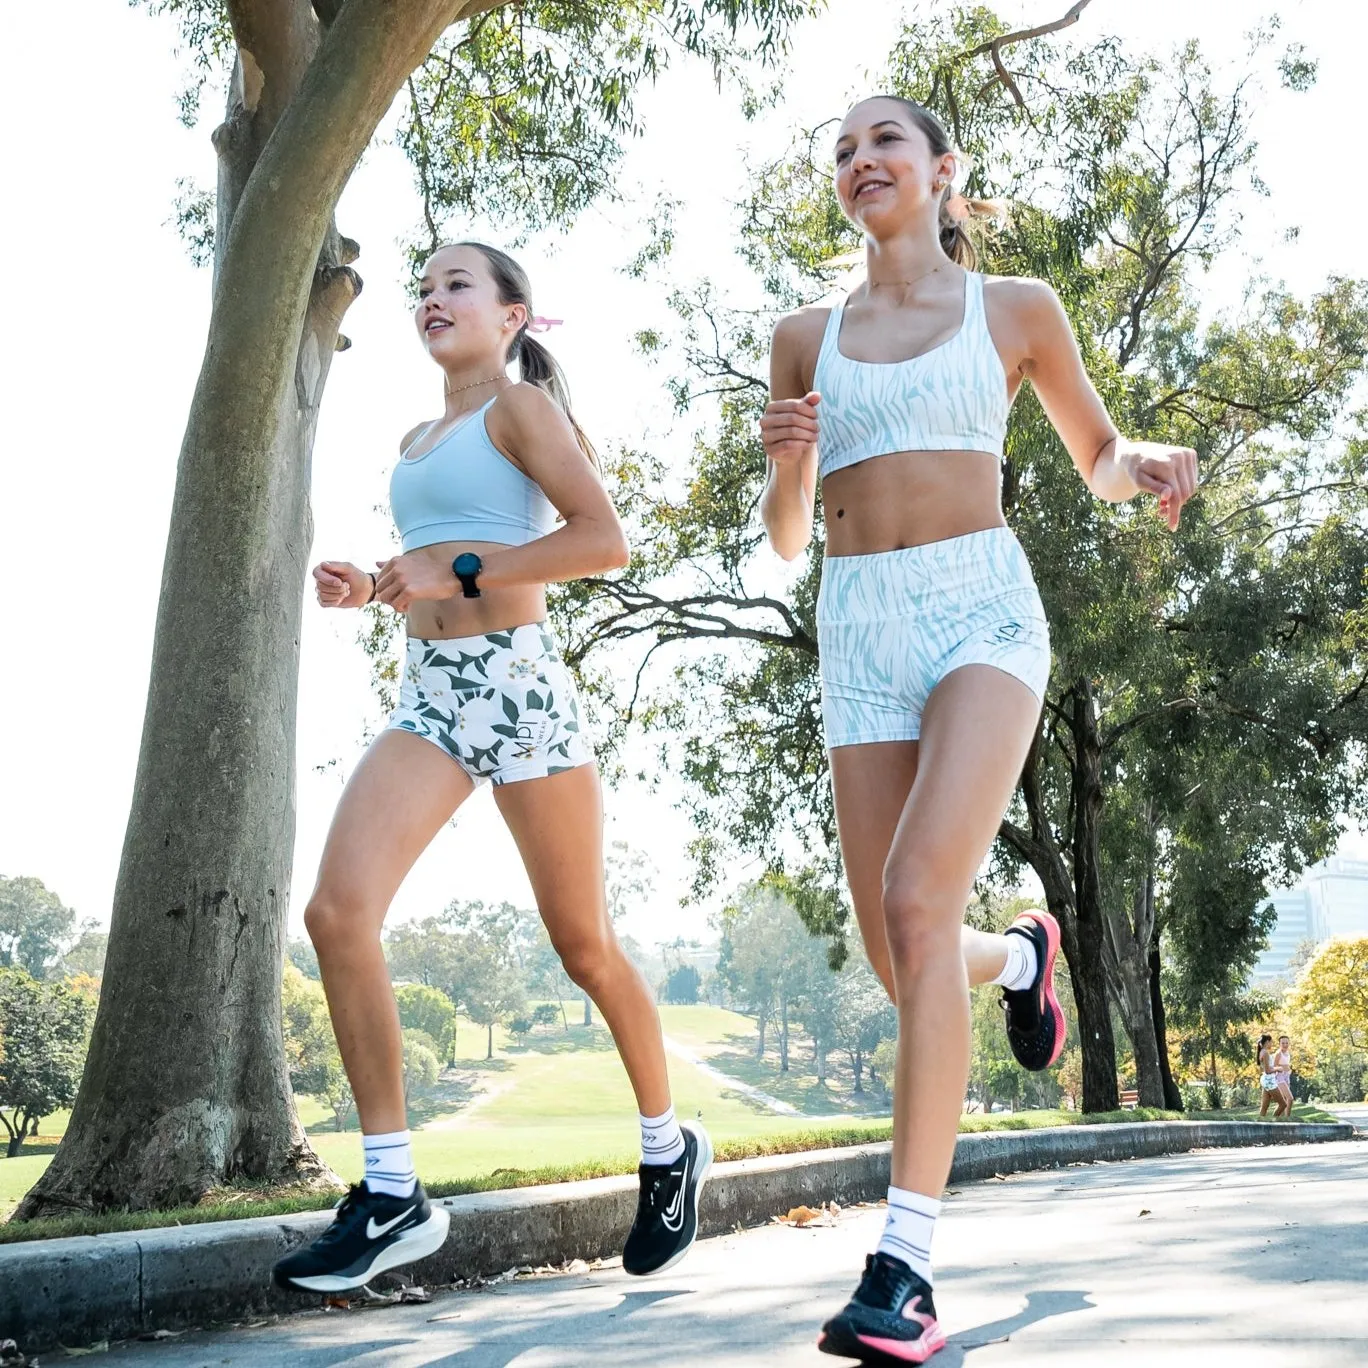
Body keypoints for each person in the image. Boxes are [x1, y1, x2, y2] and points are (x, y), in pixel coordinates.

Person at [759, 95, 1197, 1364]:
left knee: (908, 897)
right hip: (858, 629)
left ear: (943, 171)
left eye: (882, 143)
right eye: (841, 152)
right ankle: (1017, 960)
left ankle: (903, 1265)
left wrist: (1146, 459)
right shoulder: (804, 336)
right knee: (906, 962)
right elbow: (789, 537)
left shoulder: (1016, 310)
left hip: (979, 615)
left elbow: (1097, 455)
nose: (860, 163)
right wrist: (788, 460)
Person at [273, 242, 711, 1294]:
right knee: (338, 914)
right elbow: (436, 565)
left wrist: (455, 567)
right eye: (424, 287)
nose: (434, 299)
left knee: (584, 946)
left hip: (519, 692)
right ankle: (392, 1195)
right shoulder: (416, 438)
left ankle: (667, 1149)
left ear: (515, 316)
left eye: (457, 284)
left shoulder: (519, 410)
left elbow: (603, 539)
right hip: (431, 692)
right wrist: (376, 584)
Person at [1257, 1033, 1286, 1120]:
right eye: (1271, 1042)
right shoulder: (1265, 1053)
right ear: (1267, 1042)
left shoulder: (1262, 1052)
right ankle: (1273, 1122)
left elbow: (1266, 1068)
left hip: (1265, 1080)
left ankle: (1260, 1124)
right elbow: (1268, 1071)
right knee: (1283, 1104)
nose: (1272, 1044)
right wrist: (1278, 1068)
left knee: (1264, 1107)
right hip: (1269, 1080)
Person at [1273, 1034, 1295, 1120]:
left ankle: (1277, 1120)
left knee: (1283, 1101)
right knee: (1290, 1099)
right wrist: (1282, 1068)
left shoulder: (1287, 1052)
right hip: (1279, 1077)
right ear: (1279, 1044)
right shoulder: (1278, 1053)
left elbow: (1286, 1064)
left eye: (1287, 1043)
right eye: (1283, 1043)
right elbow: (1273, 1067)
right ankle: (1287, 1119)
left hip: (1286, 1076)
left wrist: (1288, 1069)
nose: (1285, 1045)